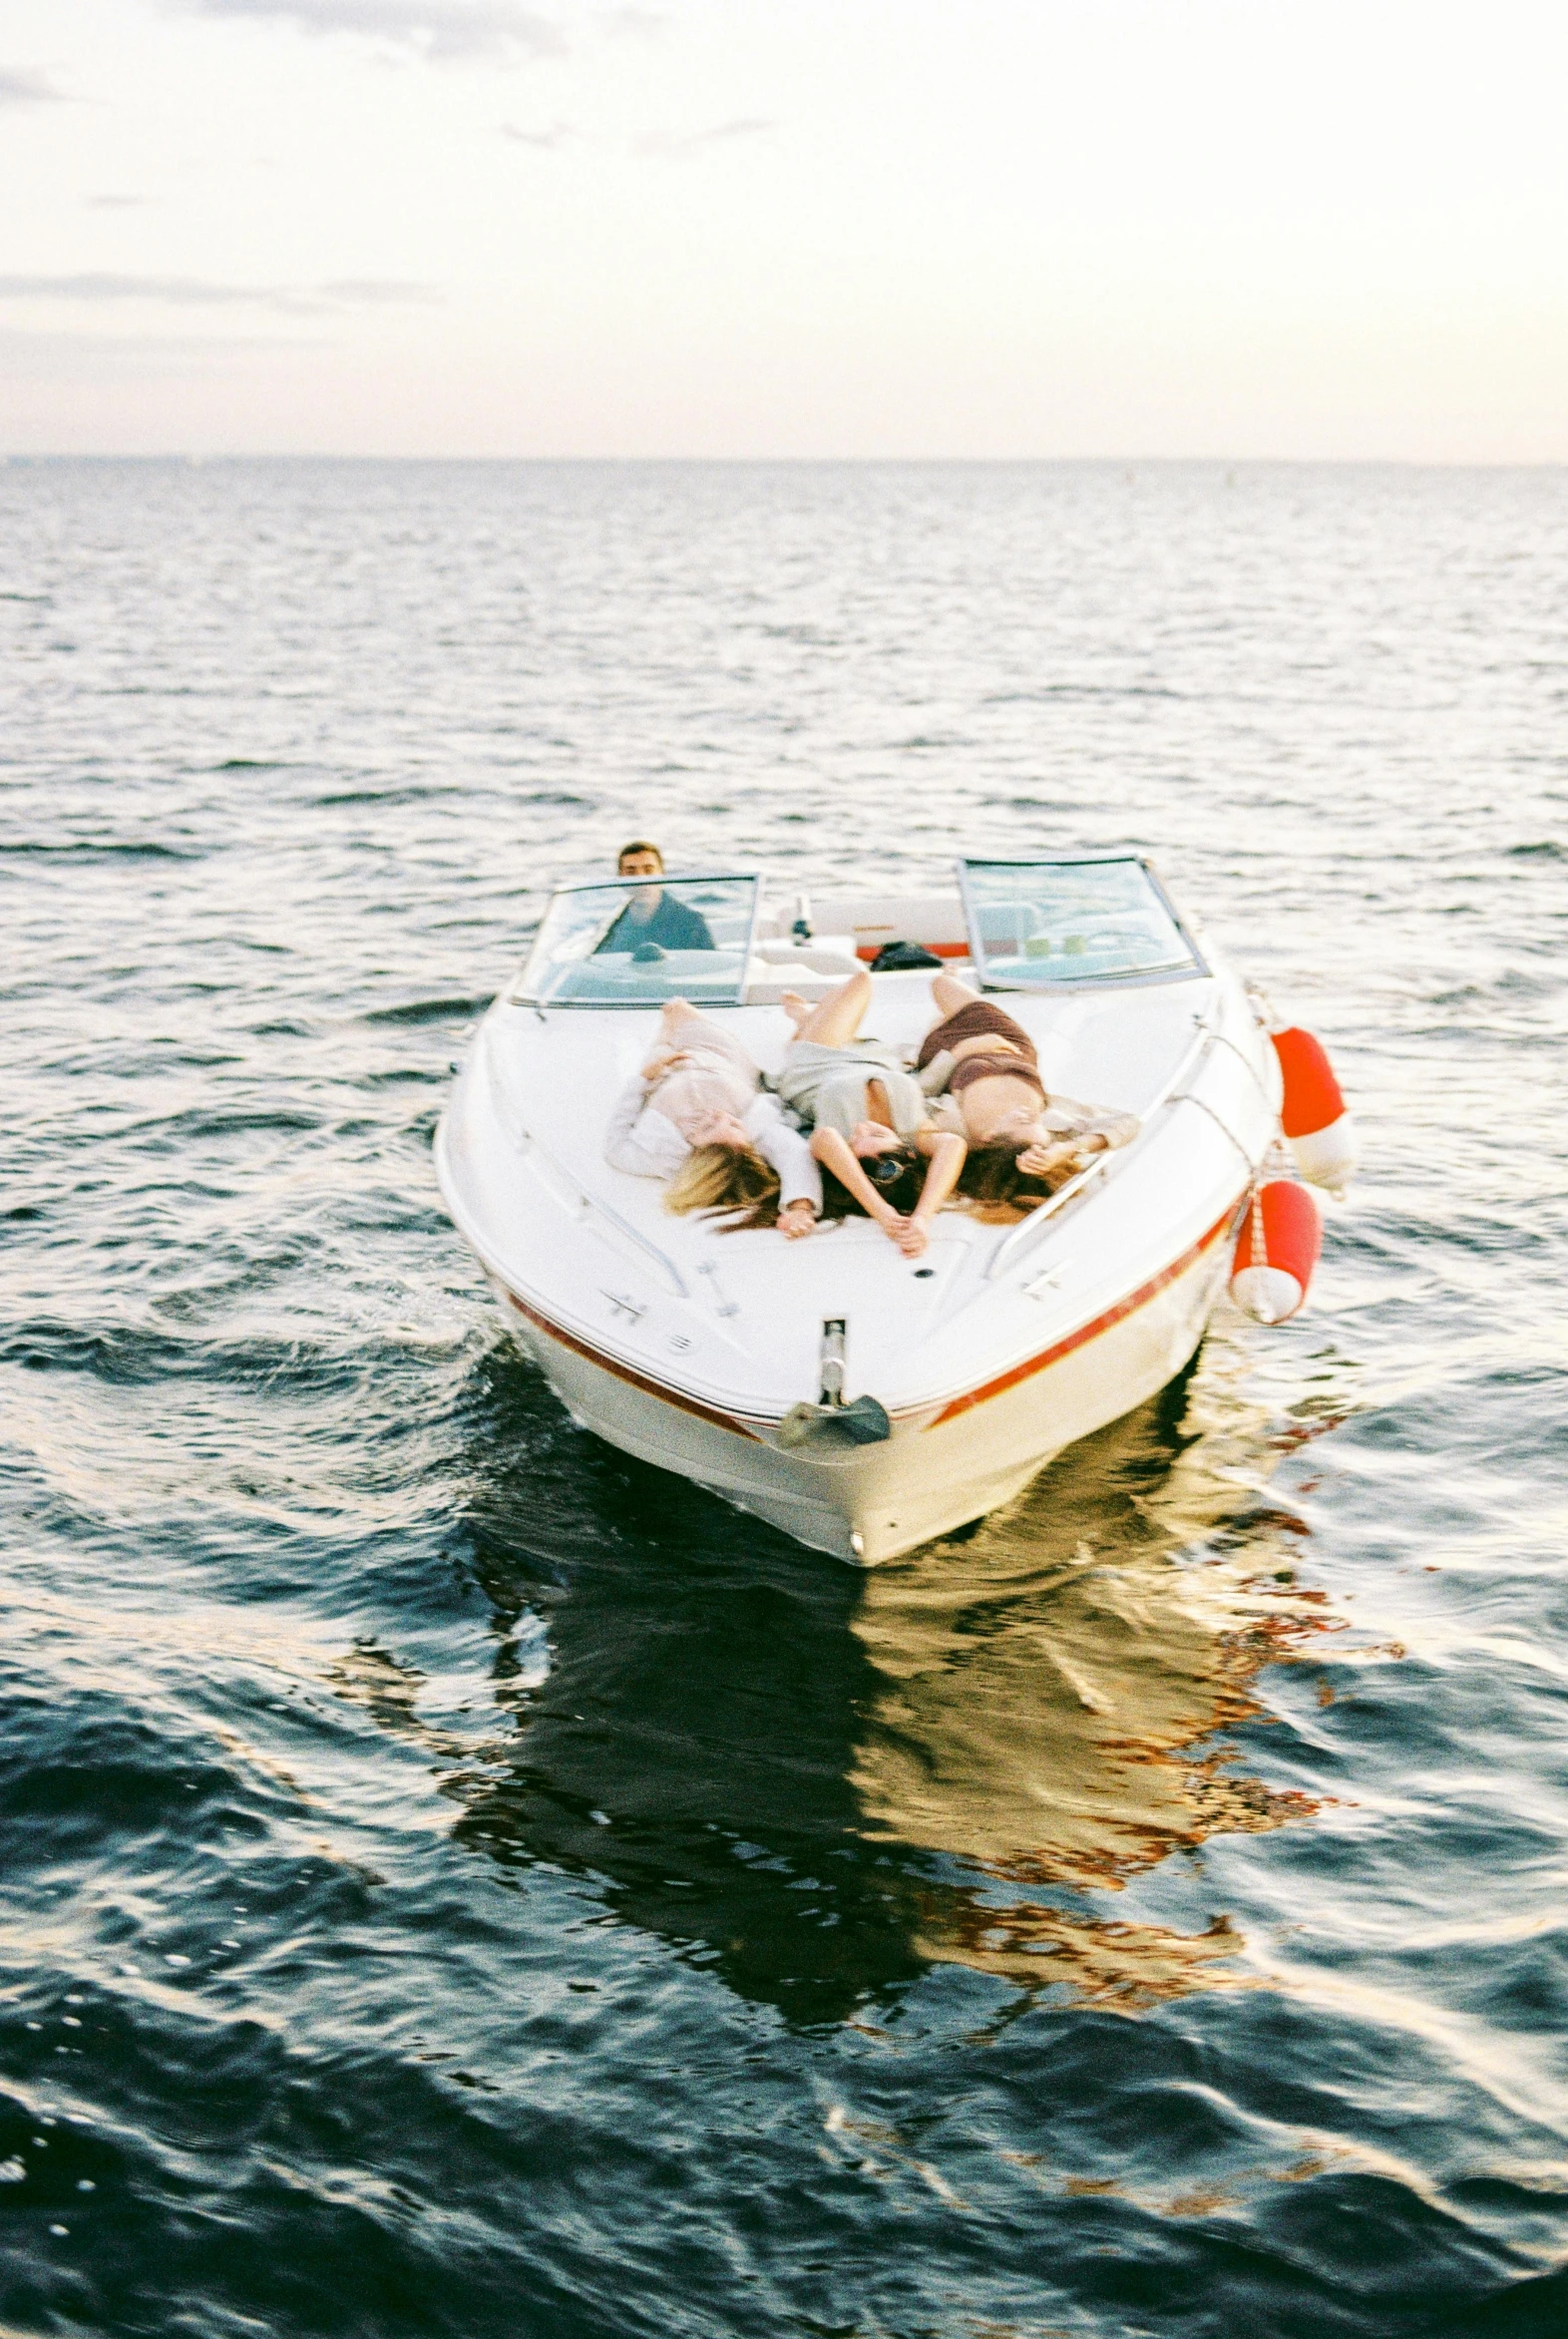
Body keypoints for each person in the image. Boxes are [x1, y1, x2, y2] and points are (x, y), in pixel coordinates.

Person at [773, 972, 966, 1259]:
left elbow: (826, 1139)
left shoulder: (832, 1136)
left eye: (856, 1138)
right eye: (876, 1134)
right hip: (877, 1056)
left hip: (817, 1062)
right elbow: (953, 1144)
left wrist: (881, 1212)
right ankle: (803, 1020)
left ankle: (804, 1023)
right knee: (860, 986)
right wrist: (923, 1217)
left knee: (861, 982)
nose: (862, 1128)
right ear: (907, 1153)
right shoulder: (915, 1134)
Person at [914, 975, 1139, 1212]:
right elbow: (1127, 1122)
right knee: (941, 984)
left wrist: (961, 1052)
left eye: (1021, 1120)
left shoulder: (955, 1126)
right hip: (1007, 1038)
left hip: (949, 1050)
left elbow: (910, 1095)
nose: (1028, 1114)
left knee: (939, 992)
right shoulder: (1054, 1126)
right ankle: (946, 998)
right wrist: (1068, 1149)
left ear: (989, 1137)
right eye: (1034, 1119)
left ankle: (940, 1019)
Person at [603, 997, 821, 1238]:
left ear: (696, 1155)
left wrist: (643, 1079)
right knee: (678, 1008)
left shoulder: (665, 1157)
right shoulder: (755, 1134)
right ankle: (802, 1020)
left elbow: (615, 1147)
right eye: (734, 1123)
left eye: (707, 1126)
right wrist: (801, 1207)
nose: (720, 1116)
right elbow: (794, 1154)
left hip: (663, 1070)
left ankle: (666, 1031)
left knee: (669, 1016)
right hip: (720, 1055)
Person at [594, 841, 715, 955]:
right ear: (620, 879)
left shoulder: (690, 923)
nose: (641, 879)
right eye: (631, 872)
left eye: (649, 871)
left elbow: (708, 970)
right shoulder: (611, 927)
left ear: (662, 875)